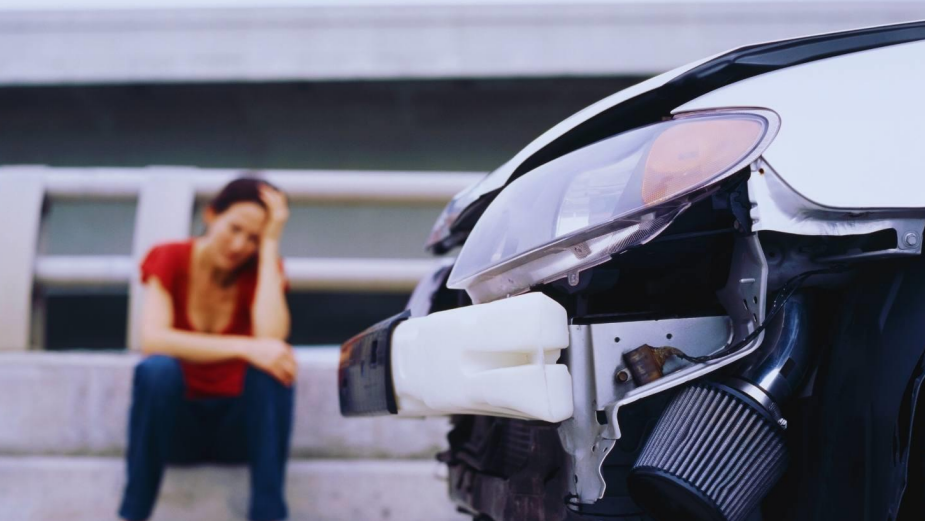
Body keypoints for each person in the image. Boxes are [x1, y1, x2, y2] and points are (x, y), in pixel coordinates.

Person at [118, 178, 296, 521]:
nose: (240, 244)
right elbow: (153, 339)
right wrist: (246, 348)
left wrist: (270, 244)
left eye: (254, 238)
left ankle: (269, 515)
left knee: (273, 370)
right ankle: (132, 514)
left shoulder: (261, 270)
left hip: (238, 430)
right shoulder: (169, 256)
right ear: (211, 214)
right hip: (177, 427)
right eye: (234, 229)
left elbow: (271, 339)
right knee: (157, 371)